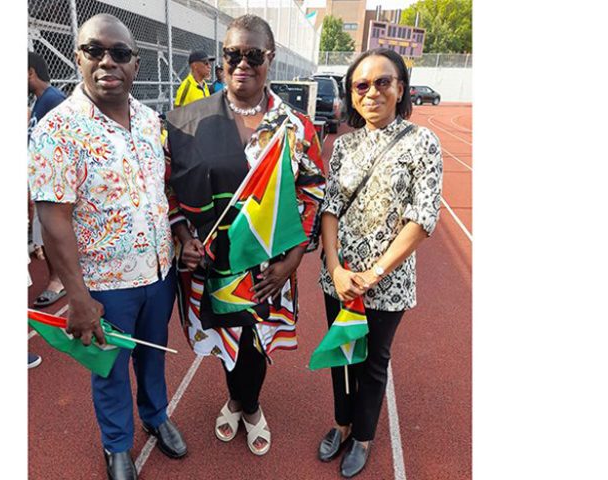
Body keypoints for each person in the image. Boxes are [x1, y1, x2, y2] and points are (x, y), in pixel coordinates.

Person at [27, 14, 186, 480]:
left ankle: (155, 417)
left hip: (159, 274)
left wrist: (180, 240)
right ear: (78, 57)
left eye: (119, 53)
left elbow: (161, 191)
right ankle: (117, 445)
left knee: (153, 356)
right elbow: (53, 219)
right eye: (94, 50)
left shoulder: (150, 120)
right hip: (104, 285)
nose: (107, 61)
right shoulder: (57, 130)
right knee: (109, 369)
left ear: (135, 63)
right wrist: (77, 297)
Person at [165, 14, 325, 457]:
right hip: (211, 262)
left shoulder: (295, 126)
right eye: (233, 54)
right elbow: (170, 190)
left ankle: (248, 405)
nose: (242, 63)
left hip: (268, 265)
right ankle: (236, 397)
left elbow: (313, 192)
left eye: (253, 55)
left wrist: (293, 259)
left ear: (269, 59)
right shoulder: (185, 122)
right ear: (221, 61)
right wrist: (182, 236)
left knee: (255, 340)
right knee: (225, 338)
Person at [316, 47, 443, 478]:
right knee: (341, 353)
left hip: (385, 283)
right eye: (361, 85)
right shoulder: (344, 146)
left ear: (401, 88)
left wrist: (375, 272)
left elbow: (422, 218)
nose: (372, 92)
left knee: (372, 361)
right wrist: (335, 268)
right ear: (352, 95)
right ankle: (341, 423)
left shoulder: (423, 142)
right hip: (340, 275)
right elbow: (330, 207)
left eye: (382, 82)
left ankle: (364, 436)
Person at [28, 51, 67, 308]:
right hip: (41, 180)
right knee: (44, 233)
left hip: (53, 182)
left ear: (30, 72)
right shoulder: (39, 101)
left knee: (51, 232)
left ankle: (58, 280)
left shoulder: (54, 100)